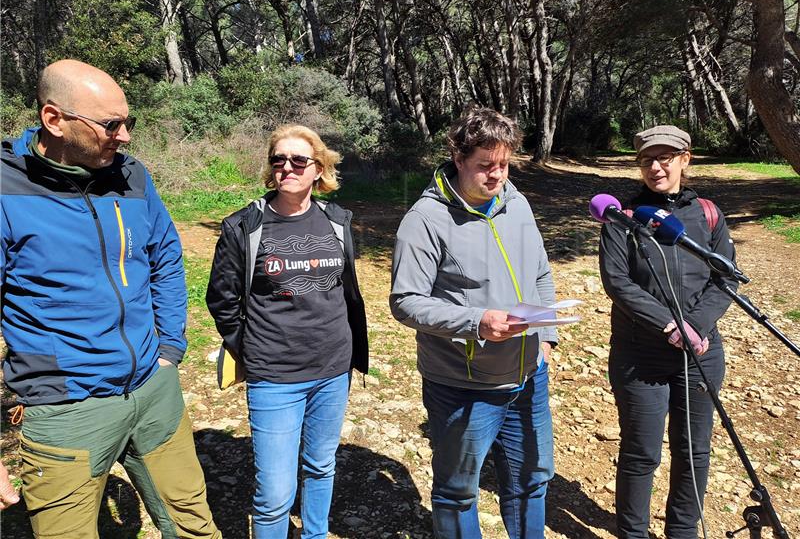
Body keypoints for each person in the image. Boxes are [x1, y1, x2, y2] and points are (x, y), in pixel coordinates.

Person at [0, 60, 221, 538]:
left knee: (194, 527)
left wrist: (168, 349)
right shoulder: (4, 189)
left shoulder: (133, 176)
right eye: (110, 125)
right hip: (65, 409)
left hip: (152, 389)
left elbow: (164, 256)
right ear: (54, 119)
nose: (124, 137)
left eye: (128, 122)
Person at [389, 108, 557, 538]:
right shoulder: (425, 220)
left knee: (530, 482)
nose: (496, 175)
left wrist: (547, 336)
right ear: (459, 158)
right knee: (458, 491)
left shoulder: (516, 202)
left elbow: (540, 271)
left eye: (503, 164)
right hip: (463, 383)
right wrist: (476, 322)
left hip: (528, 375)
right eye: (485, 165)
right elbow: (406, 302)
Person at [206, 125, 368, 539]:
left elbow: (344, 289)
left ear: (319, 169)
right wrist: (251, 347)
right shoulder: (245, 227)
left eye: (299, 160)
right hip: (274, 377)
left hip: (333, 369)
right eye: (278, 160)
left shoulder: (337, 222)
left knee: (320, 465)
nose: (287, 168)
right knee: (275, 493)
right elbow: (221, 299)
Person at [599, 125, 736, 538]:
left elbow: (725, 277)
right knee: (640, 454)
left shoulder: (708, 214)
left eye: (665, 158)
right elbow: (618, 282)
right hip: (641, 355)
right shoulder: (621, 217)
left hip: (701, 353)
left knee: (693, 452)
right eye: (646, 160)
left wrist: (694, 325)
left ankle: (682, 532)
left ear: (685, 159)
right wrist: (670, 324)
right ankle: (633, 534)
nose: (655, 167)